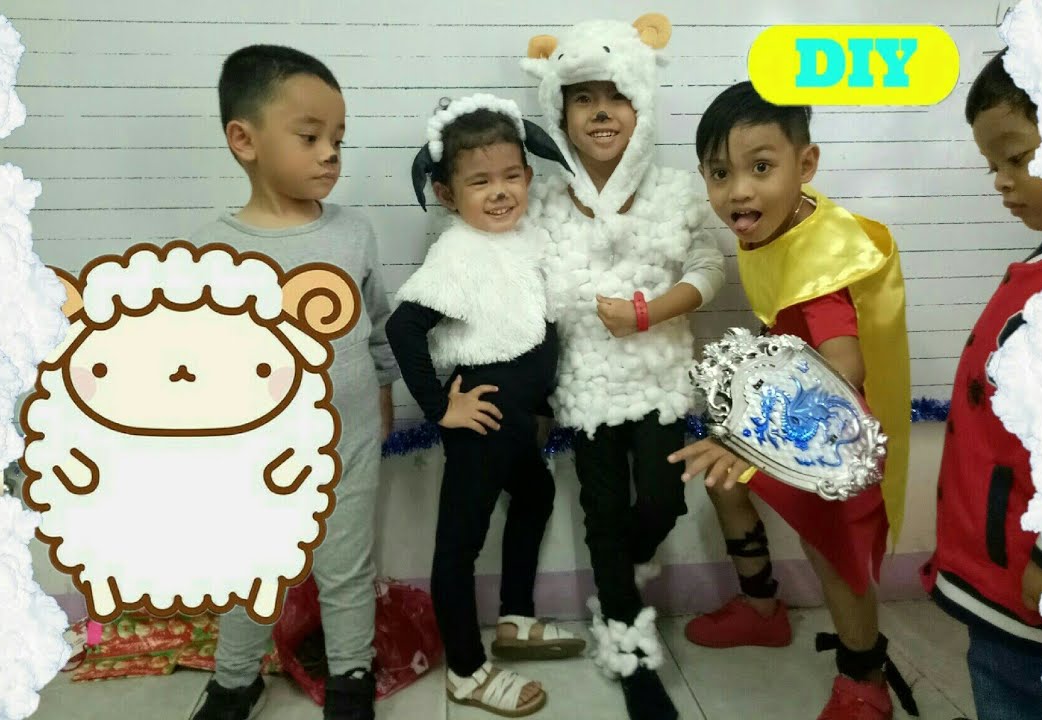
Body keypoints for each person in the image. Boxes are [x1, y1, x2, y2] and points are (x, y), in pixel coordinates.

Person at [671, 81, 917, 720]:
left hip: (833, 427)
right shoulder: (779, 221)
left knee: (833, 551)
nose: (739, 191)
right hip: (792, 404)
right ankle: (762, 609)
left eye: (761, 167)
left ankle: (864, 679)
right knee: (725, 483)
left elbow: (844, 366)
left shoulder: (820, 264)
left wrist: (756, 433)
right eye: (720, 173)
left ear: (805, 164)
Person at [520, 14, 725, 720]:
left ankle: (622, 568)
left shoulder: (675, 191)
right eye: (583, 97)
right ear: (560, 112)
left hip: (660, 379)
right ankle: (630, 651)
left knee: (662, 501)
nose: (601, 111)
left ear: (642, 103)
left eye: (616, 96)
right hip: (582, 388)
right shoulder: (545, 202)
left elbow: (709, 266)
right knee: (601, 513)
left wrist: (651, 311)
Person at [185, 44, 398, 720]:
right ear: (244, 140)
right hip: (257, 456)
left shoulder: (353, 233)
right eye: (310, 137)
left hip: (350, 440)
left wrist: (384, 395)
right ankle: (234, 680)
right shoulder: (210, 248)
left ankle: (351, 676)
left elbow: (377, 325)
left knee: (346, 568)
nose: (331, 153)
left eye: (338, 138)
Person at [385, 94, 582, 717]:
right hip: (484, 416)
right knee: (459, 545)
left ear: (528, 176)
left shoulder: (523, 237)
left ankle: (516, 618)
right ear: (448, 194)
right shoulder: (459, 252)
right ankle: (466, 671)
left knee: (536, 494)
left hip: (520, 417)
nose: (500, 192)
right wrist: (440, 407)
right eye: (480, 182)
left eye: (511, 176)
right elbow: (403, 329)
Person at [919, 48, 1042, 720]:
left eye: (1017, 158)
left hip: (1036, 587)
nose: (1002, 182)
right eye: (993, 166)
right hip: (1001, 581)